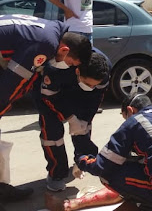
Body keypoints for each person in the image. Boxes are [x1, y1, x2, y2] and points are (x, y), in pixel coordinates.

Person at [0, 14, 92, 203]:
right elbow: (11, 86)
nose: (65, 67)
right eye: (69, 63)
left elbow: (26, 79)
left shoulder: (53, 30)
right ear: (65, 50)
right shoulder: (45, 44)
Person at [35, 49, 111, 192]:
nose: (91, 87)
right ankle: (56, 174)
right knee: (52, 137)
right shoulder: (56, 68)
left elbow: (95, 100)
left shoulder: (103, 71)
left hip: (80, 97)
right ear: (77, 71)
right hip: (50, 94)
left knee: (83, 127)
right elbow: (48, 97)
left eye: (94, 85)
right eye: (88, 83)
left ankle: (82, 160)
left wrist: (82, 122)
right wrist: (70, 117)